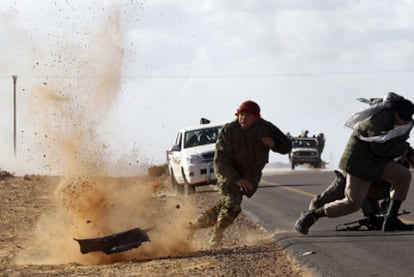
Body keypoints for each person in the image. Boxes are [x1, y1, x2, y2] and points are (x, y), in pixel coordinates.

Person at [295, 93, 414, 234]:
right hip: (359, 163)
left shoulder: (406, 124)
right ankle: (313, 215)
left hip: (379, 162)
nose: (402, 121)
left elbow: (398, 143)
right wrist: (404, 149)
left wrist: (408, 152)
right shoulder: (377, 120)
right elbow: (379, 147)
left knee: (403, 175)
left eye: (407, 118)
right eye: (400, 117)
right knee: (352, 203)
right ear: (394, 112)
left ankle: (390, 219)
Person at [188, 100, 292, 246]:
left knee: (224, 205)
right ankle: (217, 235)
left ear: (256, 117)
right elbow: (221, 161)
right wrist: (237, 179)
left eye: (247, 115)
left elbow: (287, 146)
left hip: (250, 175)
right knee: (233, 204)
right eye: (240, 114)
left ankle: (192, 227)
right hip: (228, 173)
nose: (242, 118)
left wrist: (275, 143)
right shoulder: (229, 130)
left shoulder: (266, 128)